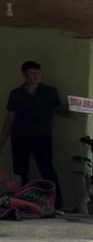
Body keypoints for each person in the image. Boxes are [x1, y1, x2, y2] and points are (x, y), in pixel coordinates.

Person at [1, 61, 65, 209]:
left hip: (42, 137)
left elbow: (60, 110)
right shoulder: (16, 94)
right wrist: (2, 140)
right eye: (32, 73)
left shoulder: (49, 91)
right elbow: (10, 118)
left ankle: (57, 205)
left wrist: (73, 109)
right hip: (20, 138)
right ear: (24, 75)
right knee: (20, 172)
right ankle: (21, 204)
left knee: (47, 170)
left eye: (38, 73)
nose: (36, 76)